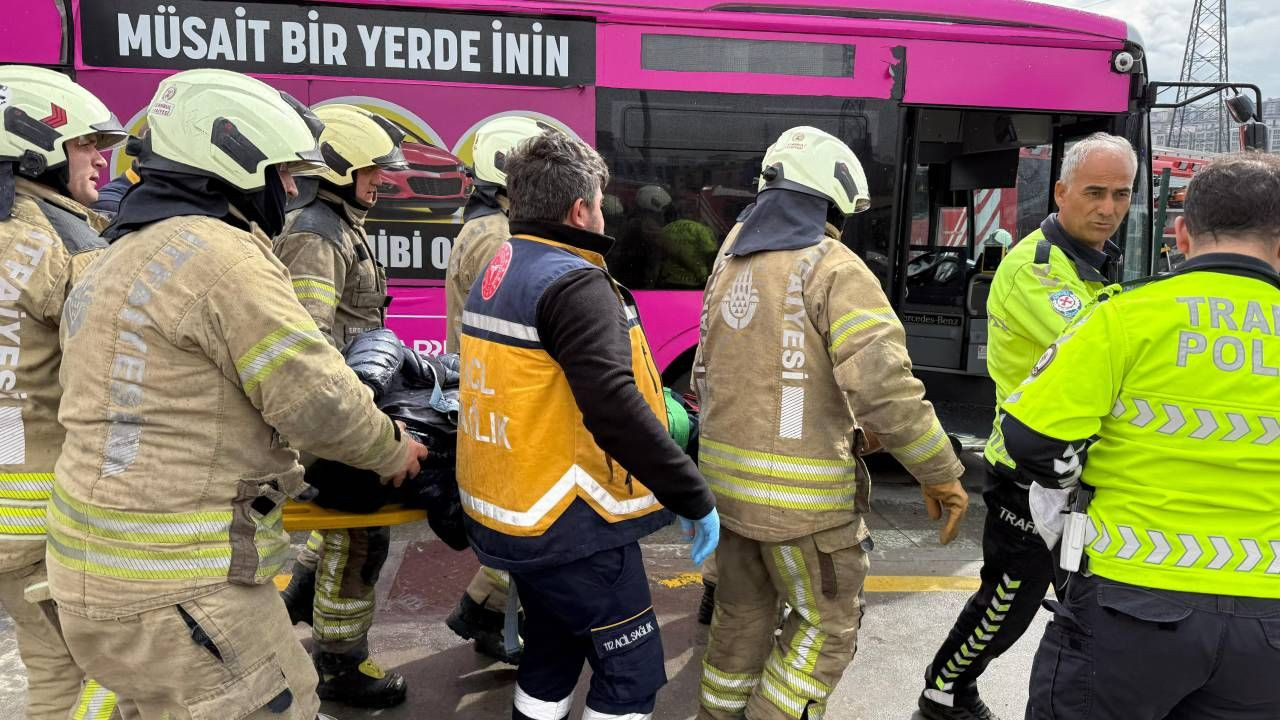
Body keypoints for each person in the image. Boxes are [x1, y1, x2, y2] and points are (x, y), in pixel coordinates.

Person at [46, 68, 428, 718]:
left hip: (88, 578)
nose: (291, 188)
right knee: (279, 700)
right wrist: (392, 449)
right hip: (183, 587)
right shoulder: (225, 259)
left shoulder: (113, 254)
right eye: (282, 172)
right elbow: (315, 398)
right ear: (234, 164)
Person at [693, 126, 968, 720]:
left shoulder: (730, 260)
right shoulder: (835, 267)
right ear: (832, 200)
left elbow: (712, 374)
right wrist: (940, 472)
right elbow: (886, 388)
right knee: (826, 628)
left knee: (739, 621)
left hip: (726, 497)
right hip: (805, 513)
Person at [1004, 151, 1280, 719]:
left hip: (1129, 604)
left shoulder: (1123, 317)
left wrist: (1076, 489)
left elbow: (1031, 438)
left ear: (1182, 235)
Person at [456, 130, 719, 720]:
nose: (605, 215)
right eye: (600, 203)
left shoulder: (506, 264)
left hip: (519, 514)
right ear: (580, 210)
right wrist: (691, 494)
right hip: (574, 524)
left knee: (552, 651)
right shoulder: (574, 281)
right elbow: (612, 406)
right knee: (631, 675)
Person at [919, 132, 1136, 720]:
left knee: (1079, 598)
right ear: (1061, 193)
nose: (1109, 208)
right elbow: (1101, 351)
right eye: (1094, 192)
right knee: (1010, 599)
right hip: (1029, 469)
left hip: (1076, 468)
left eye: (1121, 194)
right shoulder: (1035, 268)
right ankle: (944, 691)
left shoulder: (1092, 261)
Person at [271, 103, 414, 708]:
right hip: (331, 421)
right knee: (360, 536)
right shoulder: (316, 236)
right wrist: (356, 429)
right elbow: (312, 347)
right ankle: (339, 664)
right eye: (372, 170)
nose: (382, 180)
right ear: (338, 168)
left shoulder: (337, 224)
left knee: (345, 531)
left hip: (344, 410)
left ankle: (300, 599)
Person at [0, 64, 126, 720]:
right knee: (113, 671)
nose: (101, 160)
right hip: (50, 509)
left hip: (7, 500)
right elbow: (115, 378)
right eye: (85, 144)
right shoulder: (62, 244)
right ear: (34, 147)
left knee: (51, 668)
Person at [443, 116, 544, 665]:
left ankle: (484, 609)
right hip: (499, 396)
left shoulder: (483, 227)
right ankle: (486, 614)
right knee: (525, 515)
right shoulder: (497, 237)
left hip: (489, 391)